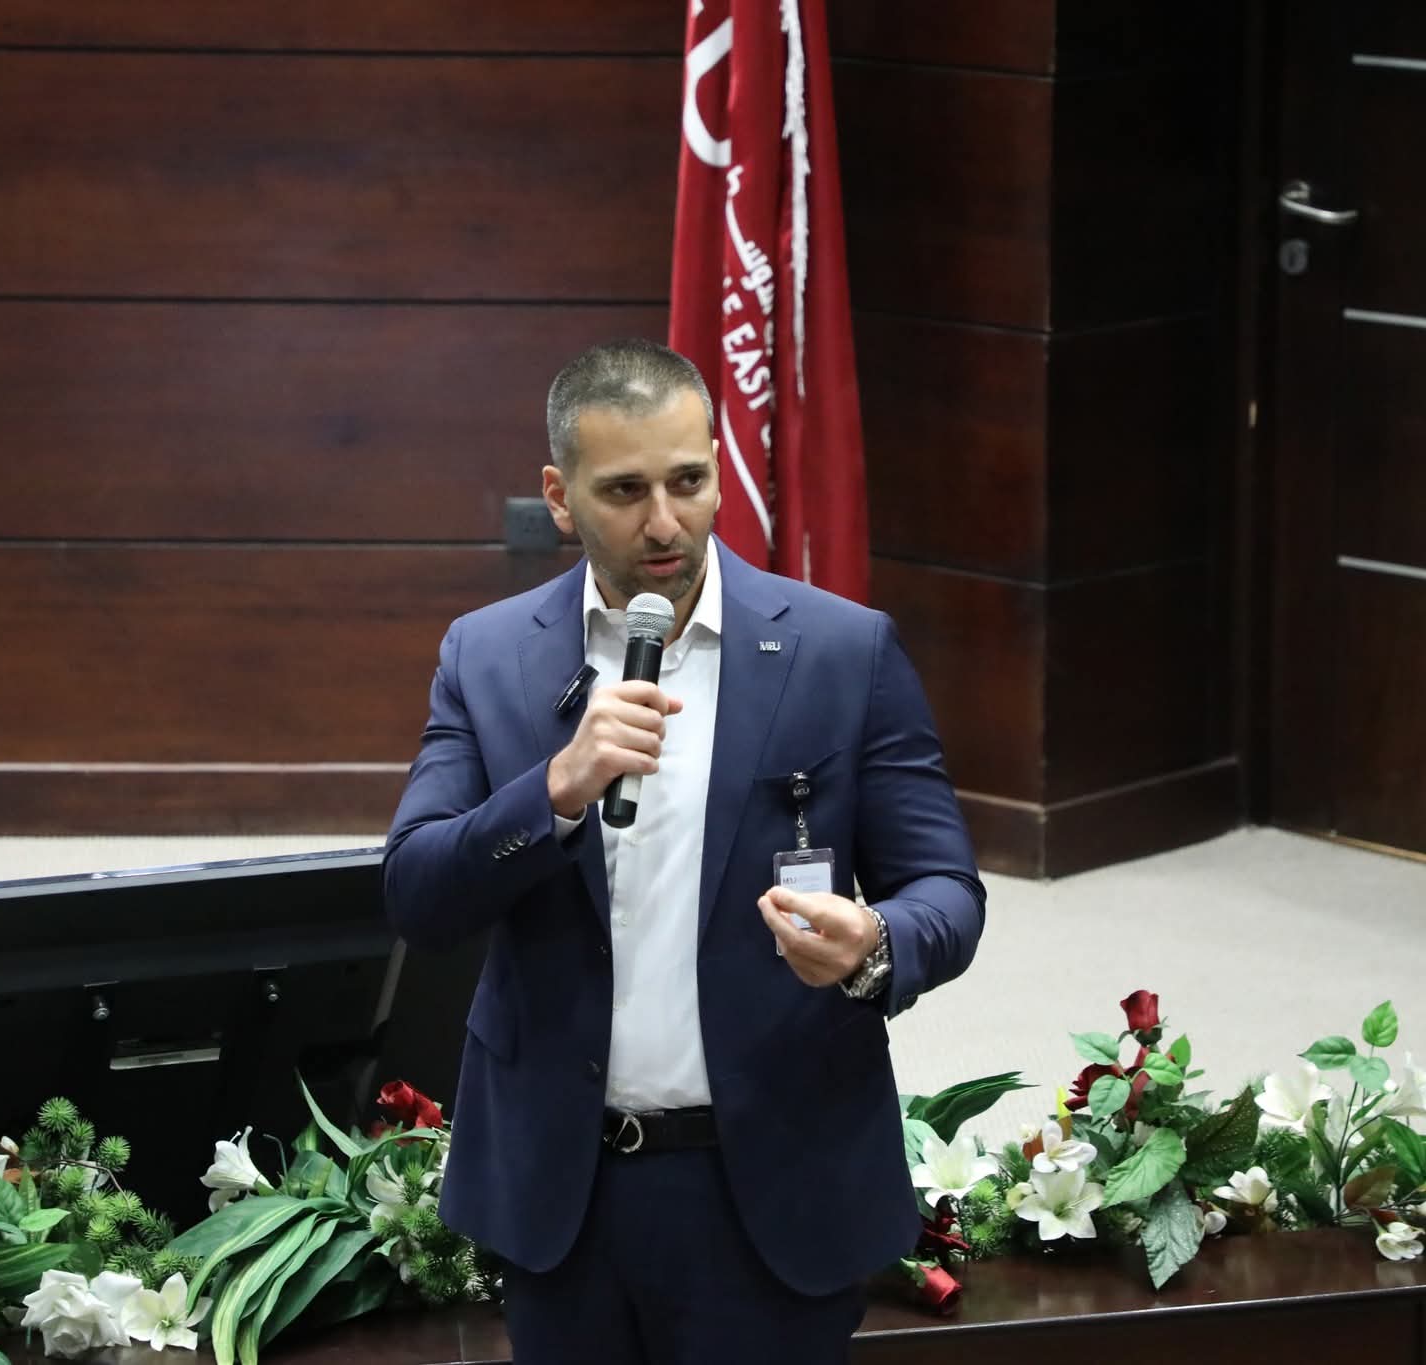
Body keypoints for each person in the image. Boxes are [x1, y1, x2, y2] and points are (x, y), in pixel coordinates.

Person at [384, 339, 983, 1363]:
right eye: (624, 491)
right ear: (559, 496)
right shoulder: (485, 655)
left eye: (688, 481)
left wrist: (876, 943)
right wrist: (553, 791)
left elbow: (945, 888)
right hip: (563, 1196)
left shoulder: (841, 651)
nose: (664, 522)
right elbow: (417, 892)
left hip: (771, 1188)